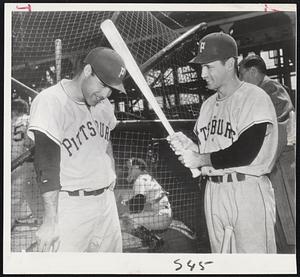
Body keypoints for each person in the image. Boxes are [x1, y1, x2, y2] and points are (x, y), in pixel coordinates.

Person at [167, 32, 278, 253]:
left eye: (208, 67)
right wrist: (191, 147)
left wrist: (199, 158)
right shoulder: (207, 105)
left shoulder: (254, 97)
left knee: (254, 264)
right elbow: (211, 151)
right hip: (214, 192)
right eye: (201, 67)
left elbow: (246, 152)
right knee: (223, 263)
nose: (202, 73)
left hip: (247, 189)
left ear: (229, 64)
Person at [27, 47, 127, 252]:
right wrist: (50, 220)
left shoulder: (104, 105)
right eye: (103, 84)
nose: (106, 94)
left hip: (106, 203)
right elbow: (46, 165)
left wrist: (111, 173)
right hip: (72, 207)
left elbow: (106, 142)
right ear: (88, 70)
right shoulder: (51, 101)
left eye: (111, 88)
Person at [239, 54, 296, 253]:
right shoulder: (258, 93)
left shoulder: (270, 87)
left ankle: (292, 252)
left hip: (283, 156)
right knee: (276, 209)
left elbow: (279, 115)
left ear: (253, 72)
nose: (240, 80)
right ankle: (284, 249)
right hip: (272, 158)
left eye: (242, 74)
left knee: (288, 207)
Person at [121, 157, 172, 231]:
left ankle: (152, 239)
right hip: (165, 215)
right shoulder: (147, 177)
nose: (128, 171)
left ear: (136, 167)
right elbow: (141, 200)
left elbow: (138, 205)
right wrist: (128, 202)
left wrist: (129, 211)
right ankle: (151, 232)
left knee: (125, 220)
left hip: (161, 217)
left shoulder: (140, 180)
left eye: (130, 168)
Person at [11, 98, 39, 229]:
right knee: (33, 194)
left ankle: (16, 219)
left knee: (15, 196)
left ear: (15, 110)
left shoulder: (11, 121)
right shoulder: (29, 119)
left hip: (12, 161)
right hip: (26, 161)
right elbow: (31, 142)